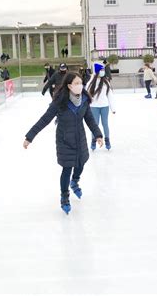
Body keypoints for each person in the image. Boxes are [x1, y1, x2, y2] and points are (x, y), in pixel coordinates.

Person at [24, 73, 104, 214]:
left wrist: (98, 134)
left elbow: (90, 119)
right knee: (67, 168)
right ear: (69, 86)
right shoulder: (60, 102)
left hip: (80, 139)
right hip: (65, 140)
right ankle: (64, 196)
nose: (80, 85)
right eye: (77, 83)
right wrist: (30, 136)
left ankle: (75, 181)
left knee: (81, 163)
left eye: (81, 82)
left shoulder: (84, 100)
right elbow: (45, 119)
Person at [86, 62, 116, 150]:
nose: (103, 71)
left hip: (104, 106)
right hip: (94, 107)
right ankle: (93, 140)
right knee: (95, 125)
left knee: (105, 124)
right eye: (101, 70)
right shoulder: (91, 82)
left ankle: (107, 140)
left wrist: (113, 108)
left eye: (103, 70)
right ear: (97, 71)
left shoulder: (106, 82)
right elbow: (87, 95)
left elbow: (110, 95)